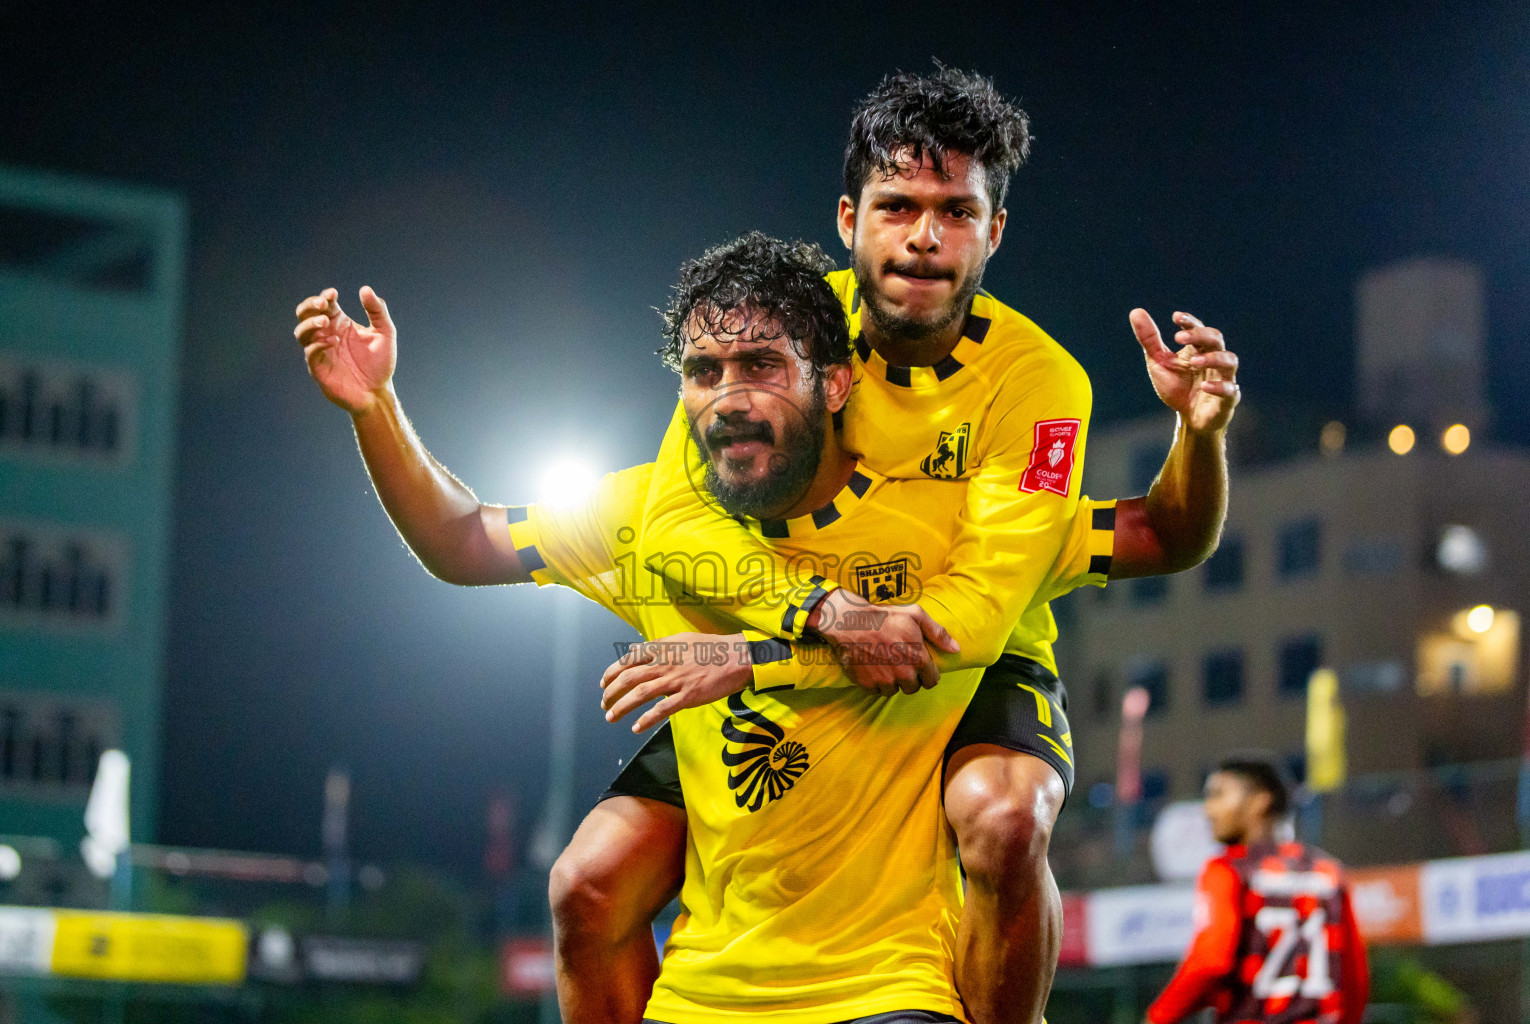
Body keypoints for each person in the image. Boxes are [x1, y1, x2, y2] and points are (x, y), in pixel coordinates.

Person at [554, 67, 1240, 1024]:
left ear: (994, 231)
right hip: (794, 644)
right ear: (849, 218)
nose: (924, 236)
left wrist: (757, 659)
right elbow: (675, 519)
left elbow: (971, 618)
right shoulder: (775, 335)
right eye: (898, 206)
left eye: (956, 211)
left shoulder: (1040, 384)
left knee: (1003, 823)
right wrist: (814, 615)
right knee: (586, 883)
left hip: (958, 657)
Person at [295, 233, 1124, 1022]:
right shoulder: (643, 514)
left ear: (832, 383)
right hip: (716, 980)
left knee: (1007, 815)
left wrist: (1198, 436)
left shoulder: (940, 511)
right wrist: (376, 409)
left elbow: (1147, 534)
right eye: (703, 371)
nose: (730, 398)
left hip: (892, 980)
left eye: (761, 366)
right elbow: (463, 539)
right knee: (584, 884)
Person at [1145, 754, 1370, 1024]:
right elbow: (1355, 977)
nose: (1208, 810)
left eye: (1218, 795)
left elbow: (1210, 961)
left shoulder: (1228, 870)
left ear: (1259, 801)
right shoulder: (1328, 871)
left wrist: (1158, 1017)